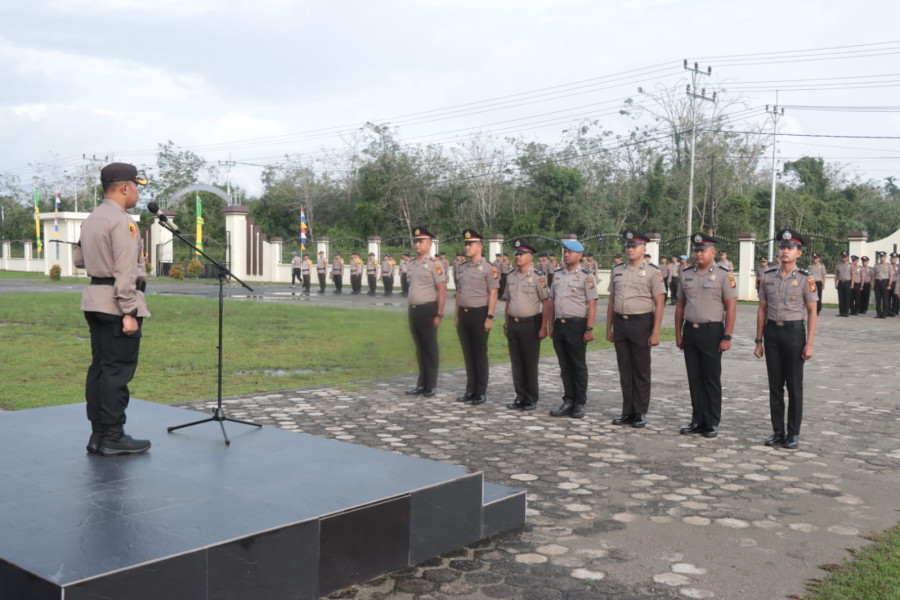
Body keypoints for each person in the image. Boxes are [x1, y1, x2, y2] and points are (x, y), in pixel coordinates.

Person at [72, 162, 151, 456]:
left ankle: (99, 436)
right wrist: (129, 312)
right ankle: (114, 436)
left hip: (95, 300)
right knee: (117, 373)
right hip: (117, 305)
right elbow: (125, 270)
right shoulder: (122, 222)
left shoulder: (91, 218)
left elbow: (80, 261)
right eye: (137, 187)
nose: (138, 194)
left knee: (101, 370)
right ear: (125, 187)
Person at [754, 228, 817, 450]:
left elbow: (812, 311)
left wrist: (809, 343)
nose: (785, 251)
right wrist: (759, 340)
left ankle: (793, 433)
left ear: (798, 253)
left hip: (793, 333)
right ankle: (777, 431)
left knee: (794, 386)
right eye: (782, 247)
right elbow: (762, 309)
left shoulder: (804, 278)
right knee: (774, 386)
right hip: (772, 333)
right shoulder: (768, 276)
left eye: (790, 248)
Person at [675, 233, 737, 438]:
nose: (699, 254)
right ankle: (697, 420)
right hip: (691, 331)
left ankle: (711, 421)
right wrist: (678, 333)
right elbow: (680, 306)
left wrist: (727, 337)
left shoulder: (723, 274)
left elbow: (731, 308)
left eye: (703, 250)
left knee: (710, 378)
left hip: (712, 332)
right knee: (694, 378)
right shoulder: (686, 274)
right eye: (696, 250)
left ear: (713, 252)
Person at [606, 230, 666, 428]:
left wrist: (656, 331)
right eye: (628, 246)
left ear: (644, 249)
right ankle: (627, 411)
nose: (630, 250)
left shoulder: (652, 272)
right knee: (625, 369)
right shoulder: (618, 270)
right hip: (620, 323)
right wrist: (609, 328)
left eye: (634, 246)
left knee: (640, 369)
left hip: (641, 323)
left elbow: (659, 302)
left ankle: (640, 411)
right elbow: (612, 300)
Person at [548, 239, 598, 419]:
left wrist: (589, 328)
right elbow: (552, 300)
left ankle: (579, 402)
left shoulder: (586, 276)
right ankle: (568, 399)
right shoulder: (558, 274)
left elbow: (592, 303)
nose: (566, 254)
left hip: (577, 325)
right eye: (565, 251)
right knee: (564, 365)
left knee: (578, 365)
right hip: (559, 324)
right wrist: (550, 324)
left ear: (579, 255)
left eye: (570, 251)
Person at [503, 238, 551, 411]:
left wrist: (543, 327)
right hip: (514, 323)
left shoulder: (538, 277)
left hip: (531, 323)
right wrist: (506, 323)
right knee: (516, 362)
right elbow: (508, 301)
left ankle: (531, 398)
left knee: (530, 363)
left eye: (522, 254)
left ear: (530, 257)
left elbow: (546, 302)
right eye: (517, 254)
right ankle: (520, 396)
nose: (518, 257)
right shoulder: (510, 276)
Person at [455, 229, 499, 405]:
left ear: (479, 246)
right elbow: (459, 292)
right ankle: (470, 389)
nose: (467, 247)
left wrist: (489, 316)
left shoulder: (489, 268)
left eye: (470, 244)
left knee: (479, 354)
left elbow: (493, 293)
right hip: (464, 314)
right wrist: (457, 315)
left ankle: (480, 391)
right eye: (466, 244)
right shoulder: (462, 267)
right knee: (468, 354)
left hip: (479, 314)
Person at [405, 227, 446, 397]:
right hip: (413, 311)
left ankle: (431, 384)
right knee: (419, 348)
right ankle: (421, 383)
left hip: (428, 309)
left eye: (421, 241)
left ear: (429, 244)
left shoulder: (434, 264)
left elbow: (442, 290)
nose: (417, 244)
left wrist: (439, 314)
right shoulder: (412, 263)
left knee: (429, 348)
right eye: (416, 241)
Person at [872, 251, 893, 318]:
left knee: (885, 299)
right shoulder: (876, 265)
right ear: (879, 258)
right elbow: (873, 276)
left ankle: (884, 313)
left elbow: (891, 276)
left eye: (883, 257)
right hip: (877, 282)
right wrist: (872, 284)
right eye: (881, 257)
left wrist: (889, 284)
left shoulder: (889, 266)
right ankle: (878, 313)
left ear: (885, 257)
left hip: (885, 282)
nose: (882, 258)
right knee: (878, 299)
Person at [834, 251, 851, 316]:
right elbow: (836, 275)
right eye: (843, 257)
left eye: (845, 257)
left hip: (847, 282)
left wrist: (852, 284)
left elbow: (852, 275)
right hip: (840, 282)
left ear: (847, 258)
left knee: (847, 298)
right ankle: (841, 312)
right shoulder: (838, 265)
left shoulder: (850, 265)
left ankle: (846, 312)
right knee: (840, 298)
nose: (844, 258)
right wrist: (835, 283)